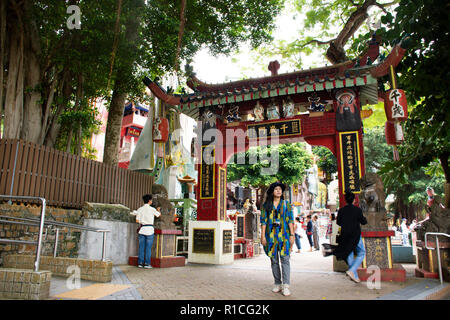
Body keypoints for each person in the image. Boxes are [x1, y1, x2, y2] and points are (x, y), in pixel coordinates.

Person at [260, 182, 295, 296]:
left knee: (285, 260)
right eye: (276, 189)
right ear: (272, 192)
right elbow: (263, 222)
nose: (279, 191)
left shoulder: (286, 205)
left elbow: (290, 220)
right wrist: (263, 236)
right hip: (270, 237)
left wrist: (292, 235)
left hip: (284, 236)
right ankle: (277, 283)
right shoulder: (266, 206)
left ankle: (286, 285)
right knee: (274, 261)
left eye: (280, 189)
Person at [328, 191, 367, 283]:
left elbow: (338, 223)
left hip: (344, 236)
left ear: (345, 200)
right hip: (355, 235)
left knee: (349, 253)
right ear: (354, 200)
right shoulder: (357, 210)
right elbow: (363, 222)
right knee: (361, 252)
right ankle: (352, 270)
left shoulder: (341, 210)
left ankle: (355, 276)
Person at [131, 194, 161, 269]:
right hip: (150, 230)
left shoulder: (140, 209)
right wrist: (158, 210)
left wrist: (142, 221)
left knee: (141, 247)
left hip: (142, 229)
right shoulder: (152, 209)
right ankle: (147, 264)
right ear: (150, 201)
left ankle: (140, 263)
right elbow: (158, 215)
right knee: (148, 248)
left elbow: (137, 220)